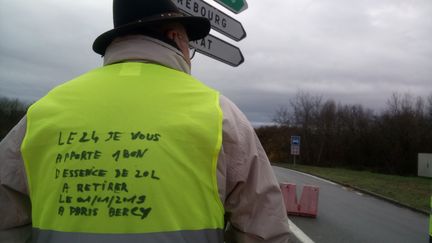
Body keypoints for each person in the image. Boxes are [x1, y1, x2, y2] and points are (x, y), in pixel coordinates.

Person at [0, 0, 291, 242]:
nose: (190, 54)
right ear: (175, 37)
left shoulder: (43, 110)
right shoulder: (220, 113)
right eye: (190, 45)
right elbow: (263, 228)